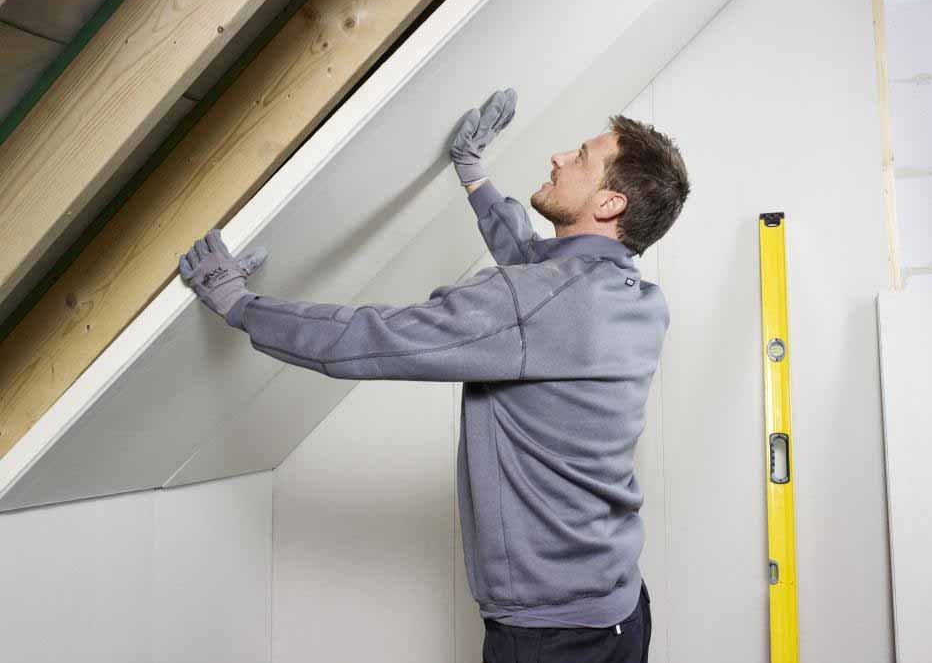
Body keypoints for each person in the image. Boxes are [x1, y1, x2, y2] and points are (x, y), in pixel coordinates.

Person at [179, 88, 690, 663]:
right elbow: (542, 279)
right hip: (620, 610)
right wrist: (474, 177)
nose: (559, 157)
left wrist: (240, 306)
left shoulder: (536, 304)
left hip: (553, 637)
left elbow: (365, 339)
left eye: (581, 158)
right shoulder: (640, 301)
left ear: (611, 203)